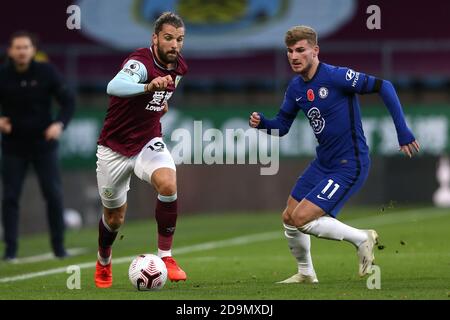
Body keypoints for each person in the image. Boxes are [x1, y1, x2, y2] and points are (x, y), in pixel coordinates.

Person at [249, 26, 420, 283]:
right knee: (288, 217)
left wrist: (403, 131)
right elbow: (282, 127)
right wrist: (263, 123)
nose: (294, 56)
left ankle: (362, 239)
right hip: (323, 163)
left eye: (300, 50)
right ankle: (306, 273)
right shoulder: (295, 88)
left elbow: (385, 86)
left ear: (315, 51)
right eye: (290, 51)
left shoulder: (337, 77)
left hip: (349, 163)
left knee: (302, 218)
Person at [94, 12, 188, 288]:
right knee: (114, 218)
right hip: (114, 148)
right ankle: (103, 260)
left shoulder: (180, 68)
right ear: (155, 38)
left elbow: (162, 97)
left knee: (168, 184)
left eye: (180, 39)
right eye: (169, 38)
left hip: (147, 141)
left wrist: (160, 101)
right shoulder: (140, 62)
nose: (175, 45)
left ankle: (166, 257)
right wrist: (147, 86)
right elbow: (113, 86)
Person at [0, 31, 75, 260]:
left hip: (44, 143)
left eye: (26, 47)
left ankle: (59, 248)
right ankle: (10, 251)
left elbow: (68, 101)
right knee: (10, 197)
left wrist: (59, 124)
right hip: (13, 145)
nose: (22, 51)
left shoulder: (46, 71)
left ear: (33, 50)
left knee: (53, 194)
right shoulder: (2, 75)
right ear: (10, 51)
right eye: (17, 47)